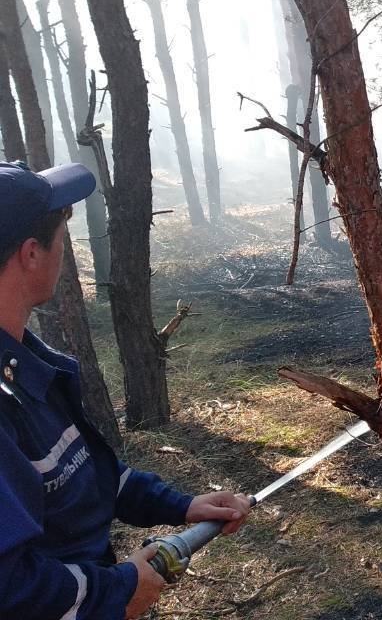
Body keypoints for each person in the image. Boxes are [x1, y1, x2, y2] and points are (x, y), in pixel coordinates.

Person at [0, 161, 251, 619]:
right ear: (31, 253)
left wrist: (183, 506)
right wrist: (113, 591)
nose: (66, 250)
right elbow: (10, 587)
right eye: (62, 236)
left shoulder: (24, 364)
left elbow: (84, 476)